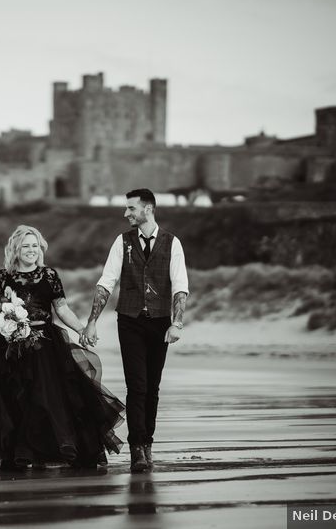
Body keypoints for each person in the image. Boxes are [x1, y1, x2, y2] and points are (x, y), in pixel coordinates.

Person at [0, 225, 125, 471]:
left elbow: (61, 308)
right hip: (10, 349)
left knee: (46, 400)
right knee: (16, 401)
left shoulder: (49, 275)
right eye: (26, 246)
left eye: (35, 246)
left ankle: (51, 450)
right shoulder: (1, 277)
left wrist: (81, 329)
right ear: (16, 249)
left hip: (44, 346)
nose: (31, 250)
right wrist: (7, 323)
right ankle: (21, 453)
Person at [83, 189, 190, 473]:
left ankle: (148, 444)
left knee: (152, 388)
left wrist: (176, 323)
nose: (126, 213)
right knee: (137, 386)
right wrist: (92, 320)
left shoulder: (172, 243)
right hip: (129, 320)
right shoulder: (122, 241)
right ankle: (136, 450)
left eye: (131, 208)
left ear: (148, 209)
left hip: (159, 322)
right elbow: (106, 282)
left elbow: (180, 285)